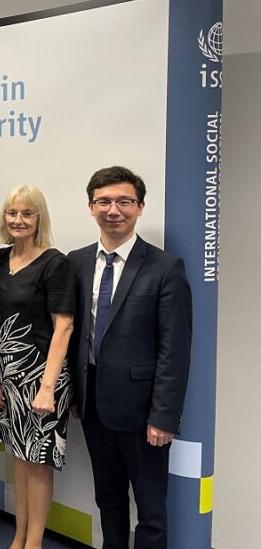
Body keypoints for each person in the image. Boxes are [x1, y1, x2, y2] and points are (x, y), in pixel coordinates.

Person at [69, 166, 192, 549]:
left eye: (124, 201)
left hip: (143, 415)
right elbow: (74, 334)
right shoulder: (77, 261)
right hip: (93, 407)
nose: (114, 209)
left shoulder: (164, 267)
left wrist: (164, 416)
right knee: (108, 498)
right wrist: (74, 393)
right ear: (91, 207)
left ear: (140, 207)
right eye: (104, 201)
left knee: (152, 509)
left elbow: (175, 349)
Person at [0, 185, 75, 549]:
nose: (18, 220)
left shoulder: (56, 263)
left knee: (37, 461)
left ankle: (33, 542)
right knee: (19, 460)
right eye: (12, 213)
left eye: (27, 213)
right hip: (6, 377)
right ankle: (19, 536)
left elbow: (63, 326)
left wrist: (48, 387)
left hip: (42, 379)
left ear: (40, 218)